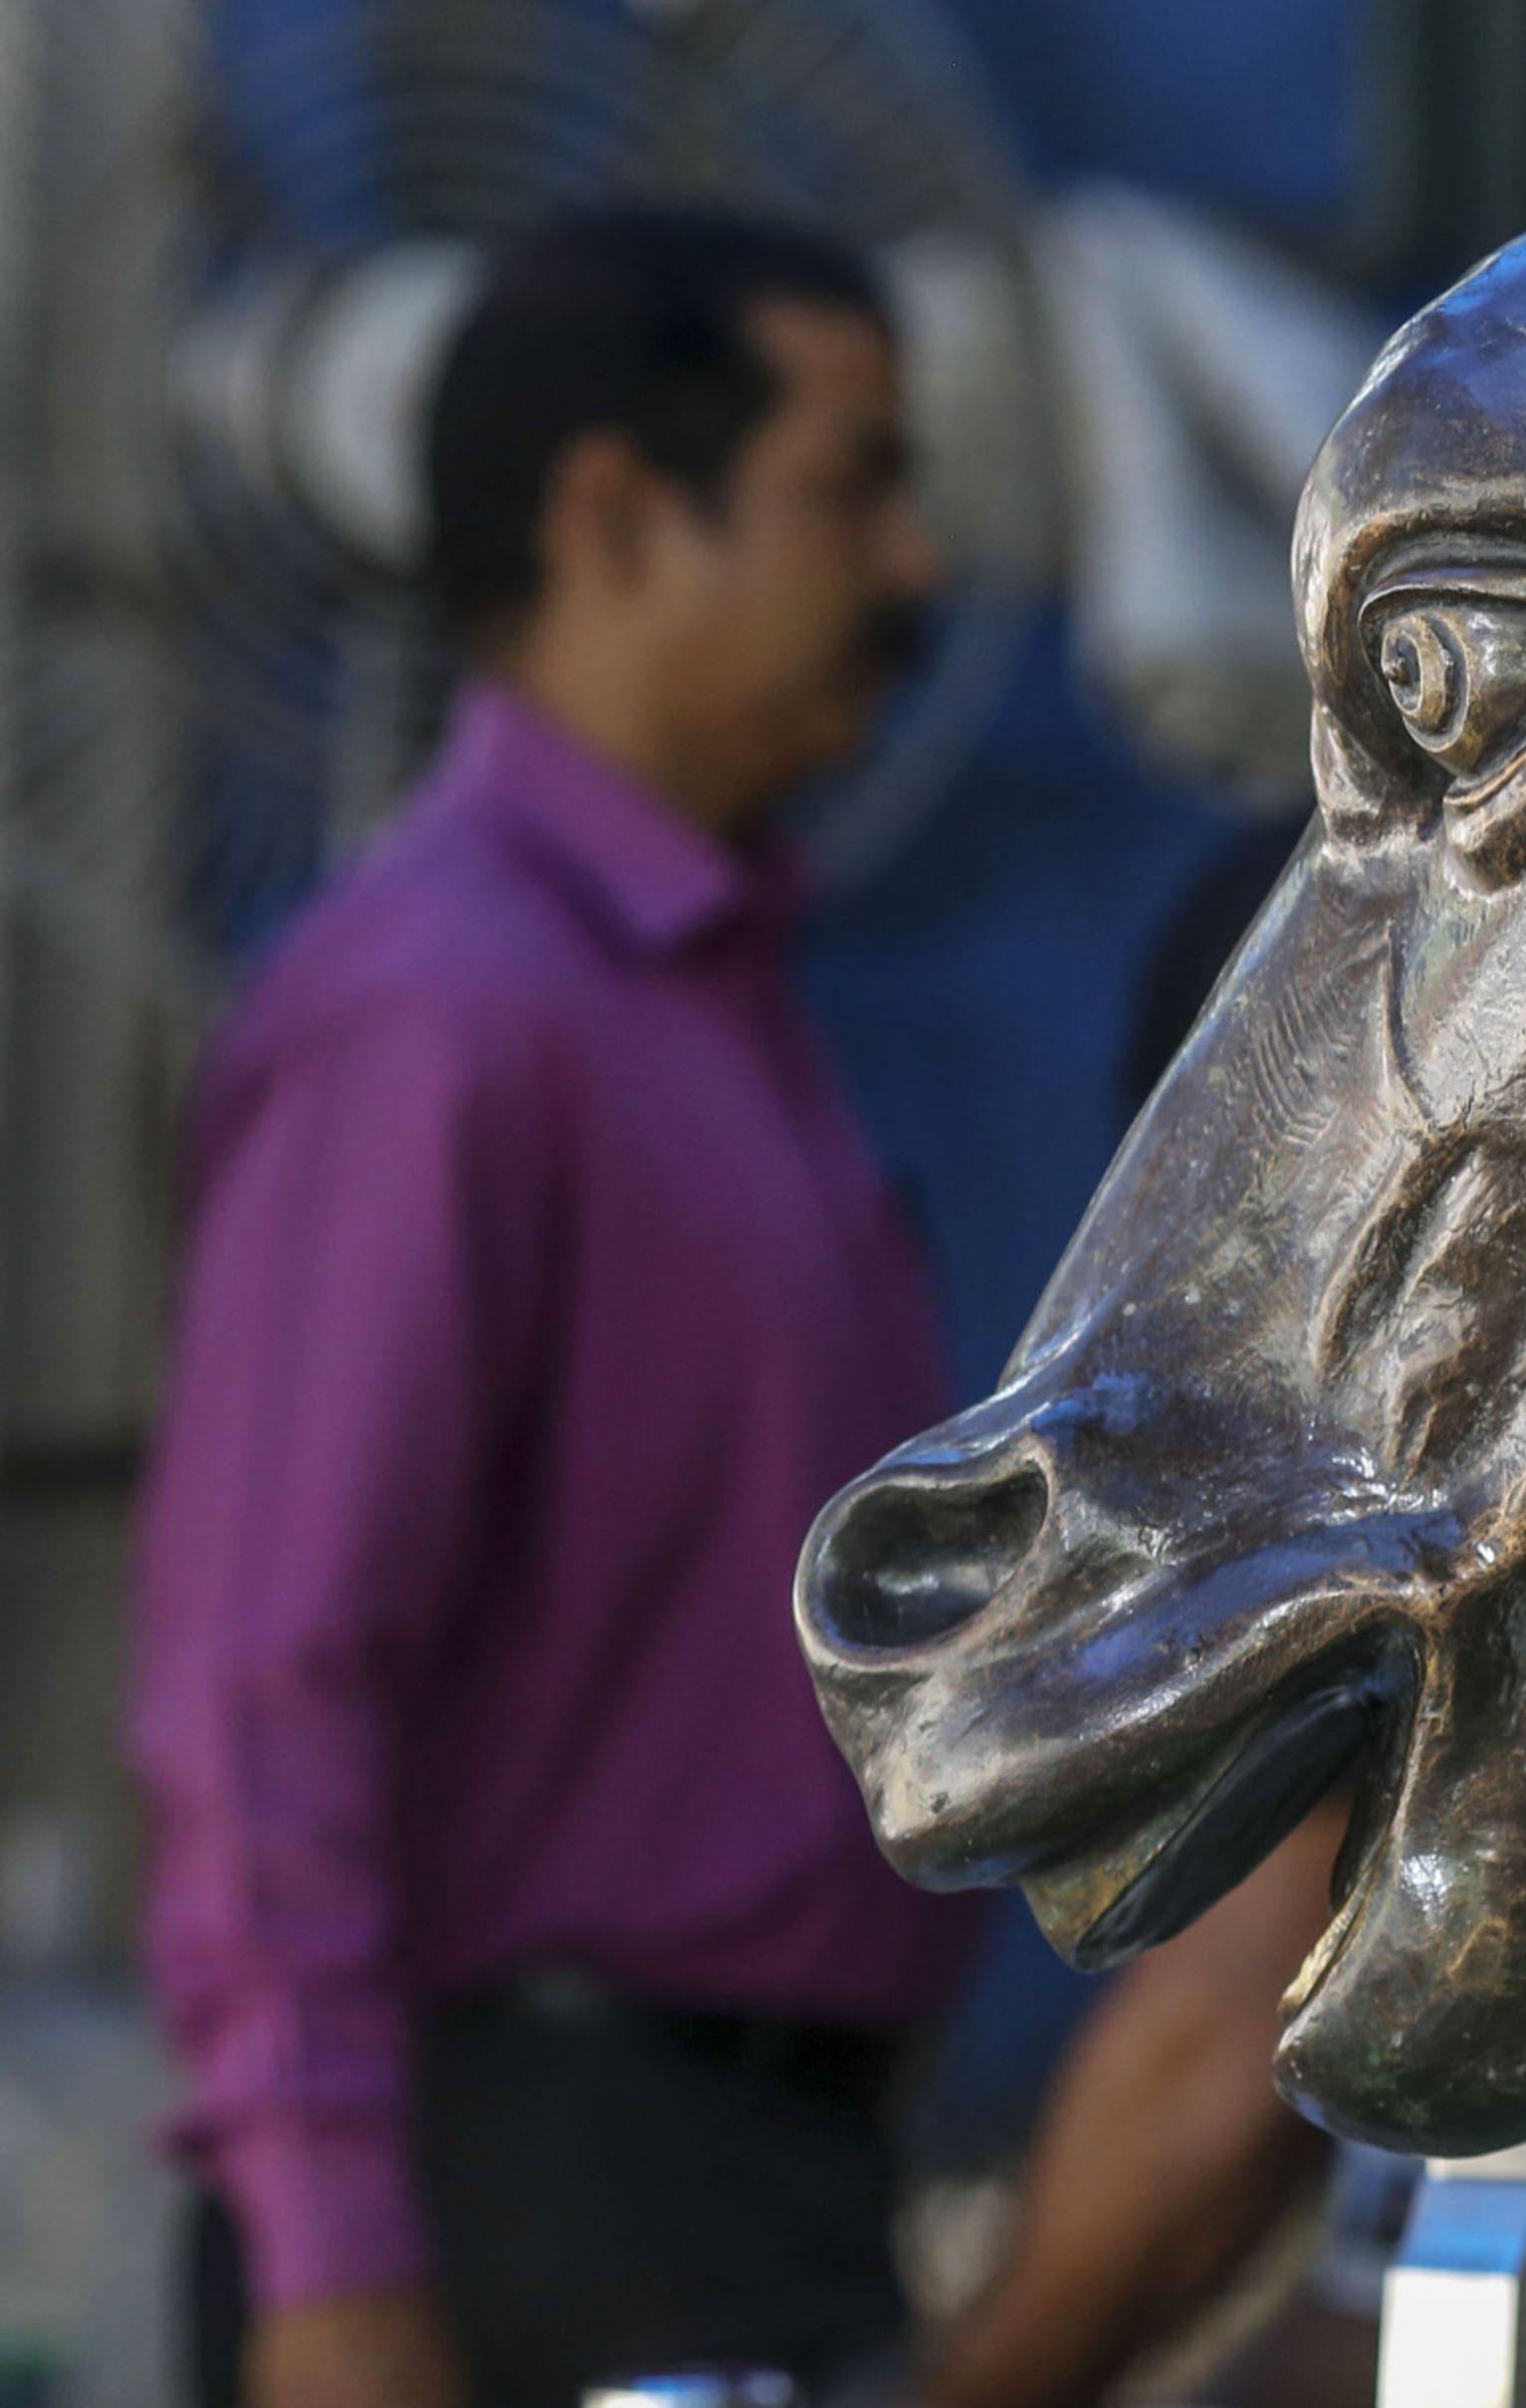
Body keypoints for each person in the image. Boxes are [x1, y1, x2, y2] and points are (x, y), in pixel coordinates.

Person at [127, 210, 972, 2408]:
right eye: (848, 486)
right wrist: (332, 2263)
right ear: (615, 517)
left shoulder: (704, 997)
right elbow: (269, 1674)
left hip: (740, 2192)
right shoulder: (435, 1011)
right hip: (526, 2205)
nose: (914, 565)